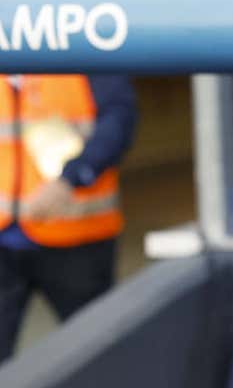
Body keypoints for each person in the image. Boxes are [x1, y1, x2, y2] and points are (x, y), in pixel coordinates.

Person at [0, 74, 137, 361]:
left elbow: (118, 121)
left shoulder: (82, 47)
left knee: (96, 355)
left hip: (75, 238)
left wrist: (72, 178)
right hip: (3, 240)